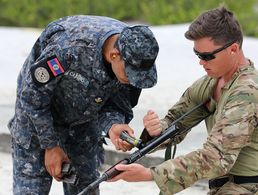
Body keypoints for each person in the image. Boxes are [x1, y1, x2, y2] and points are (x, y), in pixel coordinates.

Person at [110, 6, 258, 195]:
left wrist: (151, 174)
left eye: (207, 56)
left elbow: (216, 157)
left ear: (233, 49)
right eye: (198, 55)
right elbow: (176, 121)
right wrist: (155, 130)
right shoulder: (211, 83)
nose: (201, 63)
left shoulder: (247, 91)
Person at [8, 15, 159, 195]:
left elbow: (117, 105)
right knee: (31, 189)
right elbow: (32, 97)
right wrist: (50, 145)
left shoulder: (135, 54)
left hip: (83, 124)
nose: (132, 81)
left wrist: (114, 126)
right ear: (114, 55)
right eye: (130, 74)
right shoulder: (68, 48)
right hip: (36, 119)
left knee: (86, 188)